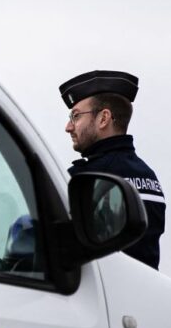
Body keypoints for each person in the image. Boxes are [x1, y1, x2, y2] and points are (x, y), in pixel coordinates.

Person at [59, 70, 165, 270]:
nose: (68, 127)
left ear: (103, 118)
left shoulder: (85, 178)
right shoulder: (148, 176)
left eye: (75, 116)